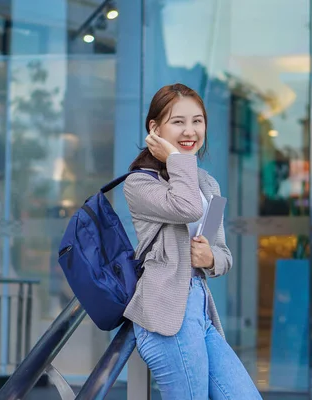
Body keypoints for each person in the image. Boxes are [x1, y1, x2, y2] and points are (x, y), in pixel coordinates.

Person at [123, 83, 262, 399]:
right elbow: (187, 207)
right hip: (167, 318)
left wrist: (209, 258)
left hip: (199, 310)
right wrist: (177, 158)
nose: (190, 131)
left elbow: (223, 253)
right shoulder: (139, 183)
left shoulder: (207, 184)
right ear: (154, 128)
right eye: (178, 121)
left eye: (197, 121)